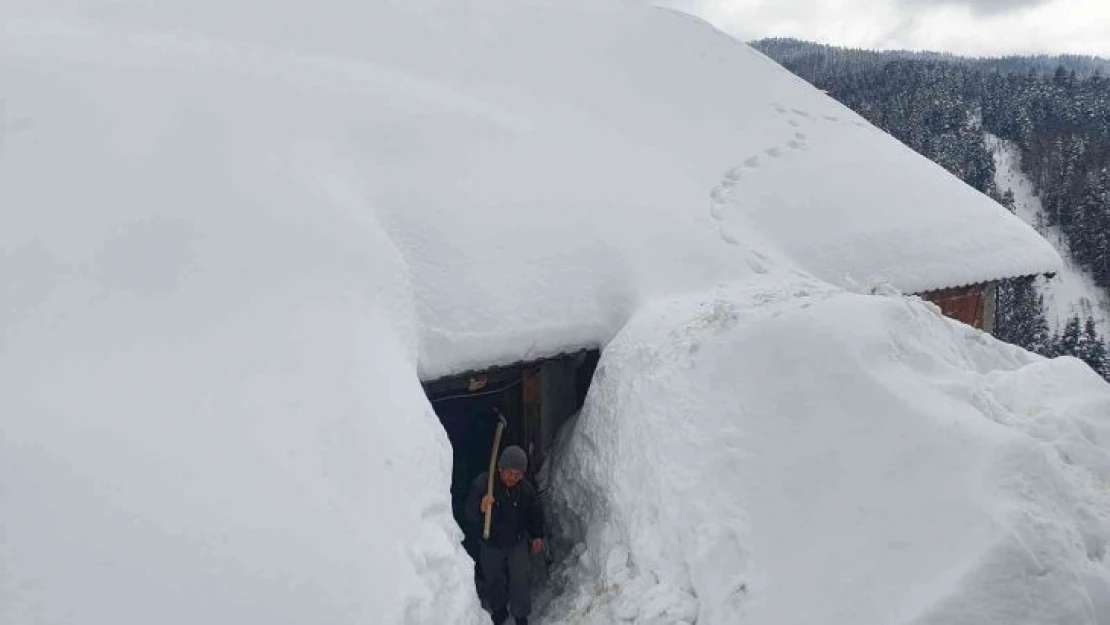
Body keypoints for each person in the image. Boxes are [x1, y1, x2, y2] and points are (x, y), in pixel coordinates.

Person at [466, 445, 544, 625]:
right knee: (494, 580)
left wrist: (537, 535)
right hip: (490, 542)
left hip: (516, 541)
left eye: (518, 474)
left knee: (520, 578)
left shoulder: (525, 489)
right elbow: (468, 512)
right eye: (509, 473)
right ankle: (499, 610)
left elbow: (534, 513)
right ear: (500, 468)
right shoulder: (485, 484)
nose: (513, 478)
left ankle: (520, 614)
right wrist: (481, 506)